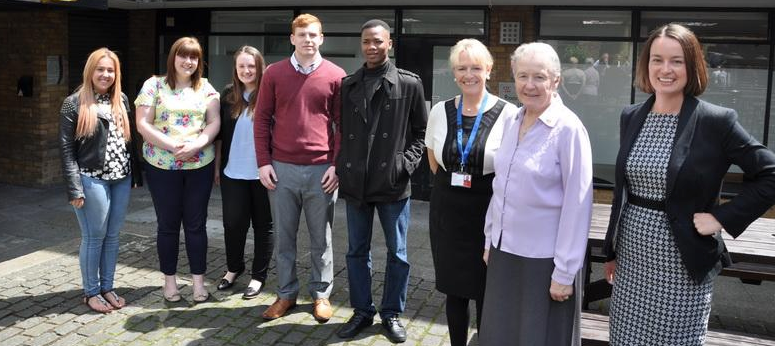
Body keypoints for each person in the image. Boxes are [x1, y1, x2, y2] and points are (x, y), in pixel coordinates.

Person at [602, 23, 775, 345]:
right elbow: (623, 191)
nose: (665, 69)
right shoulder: (632, 115)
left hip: (681, 264)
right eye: (657, 59)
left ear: (691, 66)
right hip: (631, 258)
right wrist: (611, 251)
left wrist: (722, 217)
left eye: (676, 61)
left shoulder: (715, 120)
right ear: (647, 64)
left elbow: (770, 174)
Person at [479, 42, 593, 346]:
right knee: (501, 335)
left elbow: (577, 206)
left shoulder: (568, 129)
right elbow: (500, 186)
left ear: (556, 81)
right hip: (505, 253)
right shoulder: (513, 120)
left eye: (540, 77)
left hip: (544, 261)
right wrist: (491, 239)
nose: (530, 85)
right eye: (522, 76)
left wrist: (565, 272)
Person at [334, 19, 427, 343]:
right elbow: (341, 131)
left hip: (392, 183)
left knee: (398, 252)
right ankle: (362, 311)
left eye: (377, 41)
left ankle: (391, 313)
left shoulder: (409, 83)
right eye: (366, 42)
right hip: (357, 182)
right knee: (356, 251)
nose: (371, 47)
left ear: (390, 44)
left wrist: (405, 164)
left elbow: (421, 132)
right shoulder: (348, 85)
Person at [424, 38, 517, 346]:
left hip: (487, 212)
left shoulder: (509, 114)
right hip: (447, 213)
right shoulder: (440, 110)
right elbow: (434, 160)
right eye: (462, 68)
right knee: (455, 290)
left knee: (485, 290)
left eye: (476, 67)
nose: (469, 74)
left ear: (488, 70)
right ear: (454, 73)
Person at [254, 13, 346, 323]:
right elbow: (262, 119)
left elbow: (341, 125)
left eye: (313, 35)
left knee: (322, 238)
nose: (308, 39)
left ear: (321, 38)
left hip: (321, 170)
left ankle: (321, 294)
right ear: (292, 38)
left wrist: (336, 164)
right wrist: (263, 162)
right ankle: (286, 293)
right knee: (284, 237)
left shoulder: (336, 75)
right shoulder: (274, 74)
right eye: (302, 35)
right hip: (281, 169)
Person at [135, 37, 221, 303]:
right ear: (173, 58)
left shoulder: (206, 88)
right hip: (162, 166)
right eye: (183, 56)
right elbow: (142, 124)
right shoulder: (154, 85)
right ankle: (169, 283)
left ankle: (198, 284)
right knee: (168, 226)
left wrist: (197, 144)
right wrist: (173, 145)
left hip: (199, 165)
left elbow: (214, 121)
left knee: (196, 225)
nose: (188, 61)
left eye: (194, 57)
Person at [60, 47, 142, 313]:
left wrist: (135, 174)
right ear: (90, 71)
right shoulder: (74, 103)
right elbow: (66, 149)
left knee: (113, 236)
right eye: (101, 69)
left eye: (110, 70)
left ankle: (107, 287)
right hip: (91, 179)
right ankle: (91, 292)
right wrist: (75, 188)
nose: (105, 74)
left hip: (121, 178)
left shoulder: (122, 100)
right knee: (95, 236)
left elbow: (129, 141)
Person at [213, 46, 273, 300]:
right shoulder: (228, 94)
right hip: (232, 172)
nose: (247, 71)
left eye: (251, 66)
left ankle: (258, 276)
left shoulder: (271, 93)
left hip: (263, 173)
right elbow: (219, 137)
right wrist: (217, 168)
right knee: (233, 224)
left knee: (263, 226)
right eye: (241, 66)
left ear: (260, 67)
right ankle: (234, 268)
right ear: (235, 69)